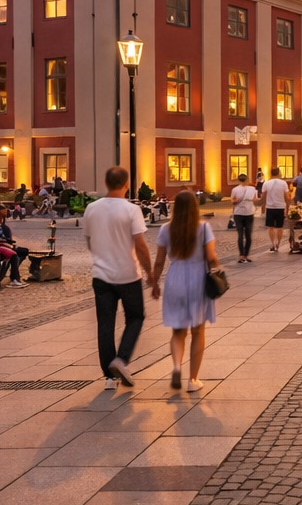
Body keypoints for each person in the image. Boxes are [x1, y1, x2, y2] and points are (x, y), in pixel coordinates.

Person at [83, 167, 153, 388]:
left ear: (106, 183)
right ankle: (121, 359)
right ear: (126, 184)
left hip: (101, 275)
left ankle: (109, 377)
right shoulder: (131, 209)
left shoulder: (91, 209)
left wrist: (101, 257)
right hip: (128, 274)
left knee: (105, 324)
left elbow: (89, 241)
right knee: (135, 317)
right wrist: (150, 272)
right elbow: (140, 245)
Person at [149, 191, 220, 392]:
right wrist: (218, 269)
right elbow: (211, 256)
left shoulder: (165, 229)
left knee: (178, 330)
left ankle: (176, 367)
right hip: (198, 279)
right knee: (198, 330)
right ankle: (193, 379)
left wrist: (154, 284)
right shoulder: (203, 228)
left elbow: (159, 261)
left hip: (176, 277)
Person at [0, 204, 29, 287]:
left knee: (24, 251)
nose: (6, 211)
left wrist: (8, 242)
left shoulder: (2, 224)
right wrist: (3, 242)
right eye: (3, 209)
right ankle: (14, 278)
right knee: (14, 254)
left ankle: (14, 271)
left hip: (4, 244)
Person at [230, 172, 258, 263]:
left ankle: (241, 255)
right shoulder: (252, 189)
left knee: (240, 235)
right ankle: (246, 255)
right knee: (248, 235)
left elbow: (232, 201)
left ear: (238, 180)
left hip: (238, 213)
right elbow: (255, 199)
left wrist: (238, 200)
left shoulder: (235, 189)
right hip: (249, 213)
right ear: (247, 179)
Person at [261, 167, 289, 253]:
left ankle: (273, 244)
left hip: (270, 207)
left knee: (271, 227)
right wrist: (287, 208)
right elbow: (287, 197)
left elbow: (263, 196)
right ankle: (278, 244)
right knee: (279, 227)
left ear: (271, 173)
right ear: (279, 173)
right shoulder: (283, 183)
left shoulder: (266, 183)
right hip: (280, 207)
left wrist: (263, 207)